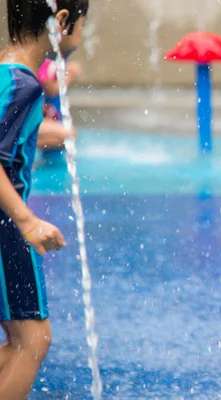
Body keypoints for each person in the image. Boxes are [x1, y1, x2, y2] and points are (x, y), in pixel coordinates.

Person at [0, 0, 87, 398]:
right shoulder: (26, 85)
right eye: (83, 25)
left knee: (17, 343)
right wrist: (25, 219)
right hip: (5, 226)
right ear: (63, 21)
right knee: (32, 341)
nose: (83, 37)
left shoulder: (6, 70)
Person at [37, 58, 82, 154]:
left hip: (25, 121)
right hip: (22, 123)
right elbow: (52, 90)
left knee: (69, 134)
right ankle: (24, 144)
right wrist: (68, 74)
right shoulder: (39, 59)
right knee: (68, 134)